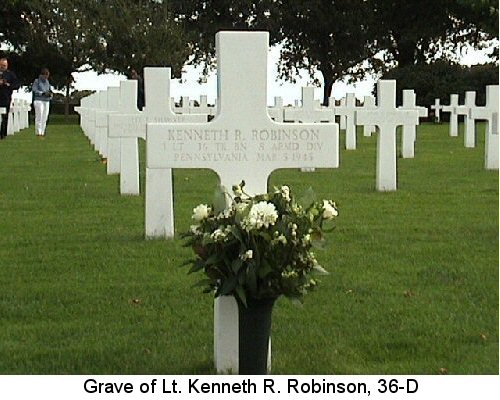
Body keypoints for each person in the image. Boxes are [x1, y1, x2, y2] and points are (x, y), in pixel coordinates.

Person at [0, 57, 20, 140]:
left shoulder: (10, 74)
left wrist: (7, 84)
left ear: (7, 65)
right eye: (1, 65)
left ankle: (2, 134)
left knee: (4, 117)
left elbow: (16, 85)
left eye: (4, 65)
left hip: (5, 98)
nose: (2, 67)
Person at [32, 67, 53, 137]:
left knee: (45, 117)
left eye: (47, 76)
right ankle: (38, 132)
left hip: (46, 101)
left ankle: (43, 132)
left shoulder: (47, 82)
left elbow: (49, 89)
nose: (46, 77)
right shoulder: (37, 81)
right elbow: (34, 90)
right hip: (39, 100)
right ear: (42, 75)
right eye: (45, 75)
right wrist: (42, 93)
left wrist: (50, 94)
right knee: (39, 116)